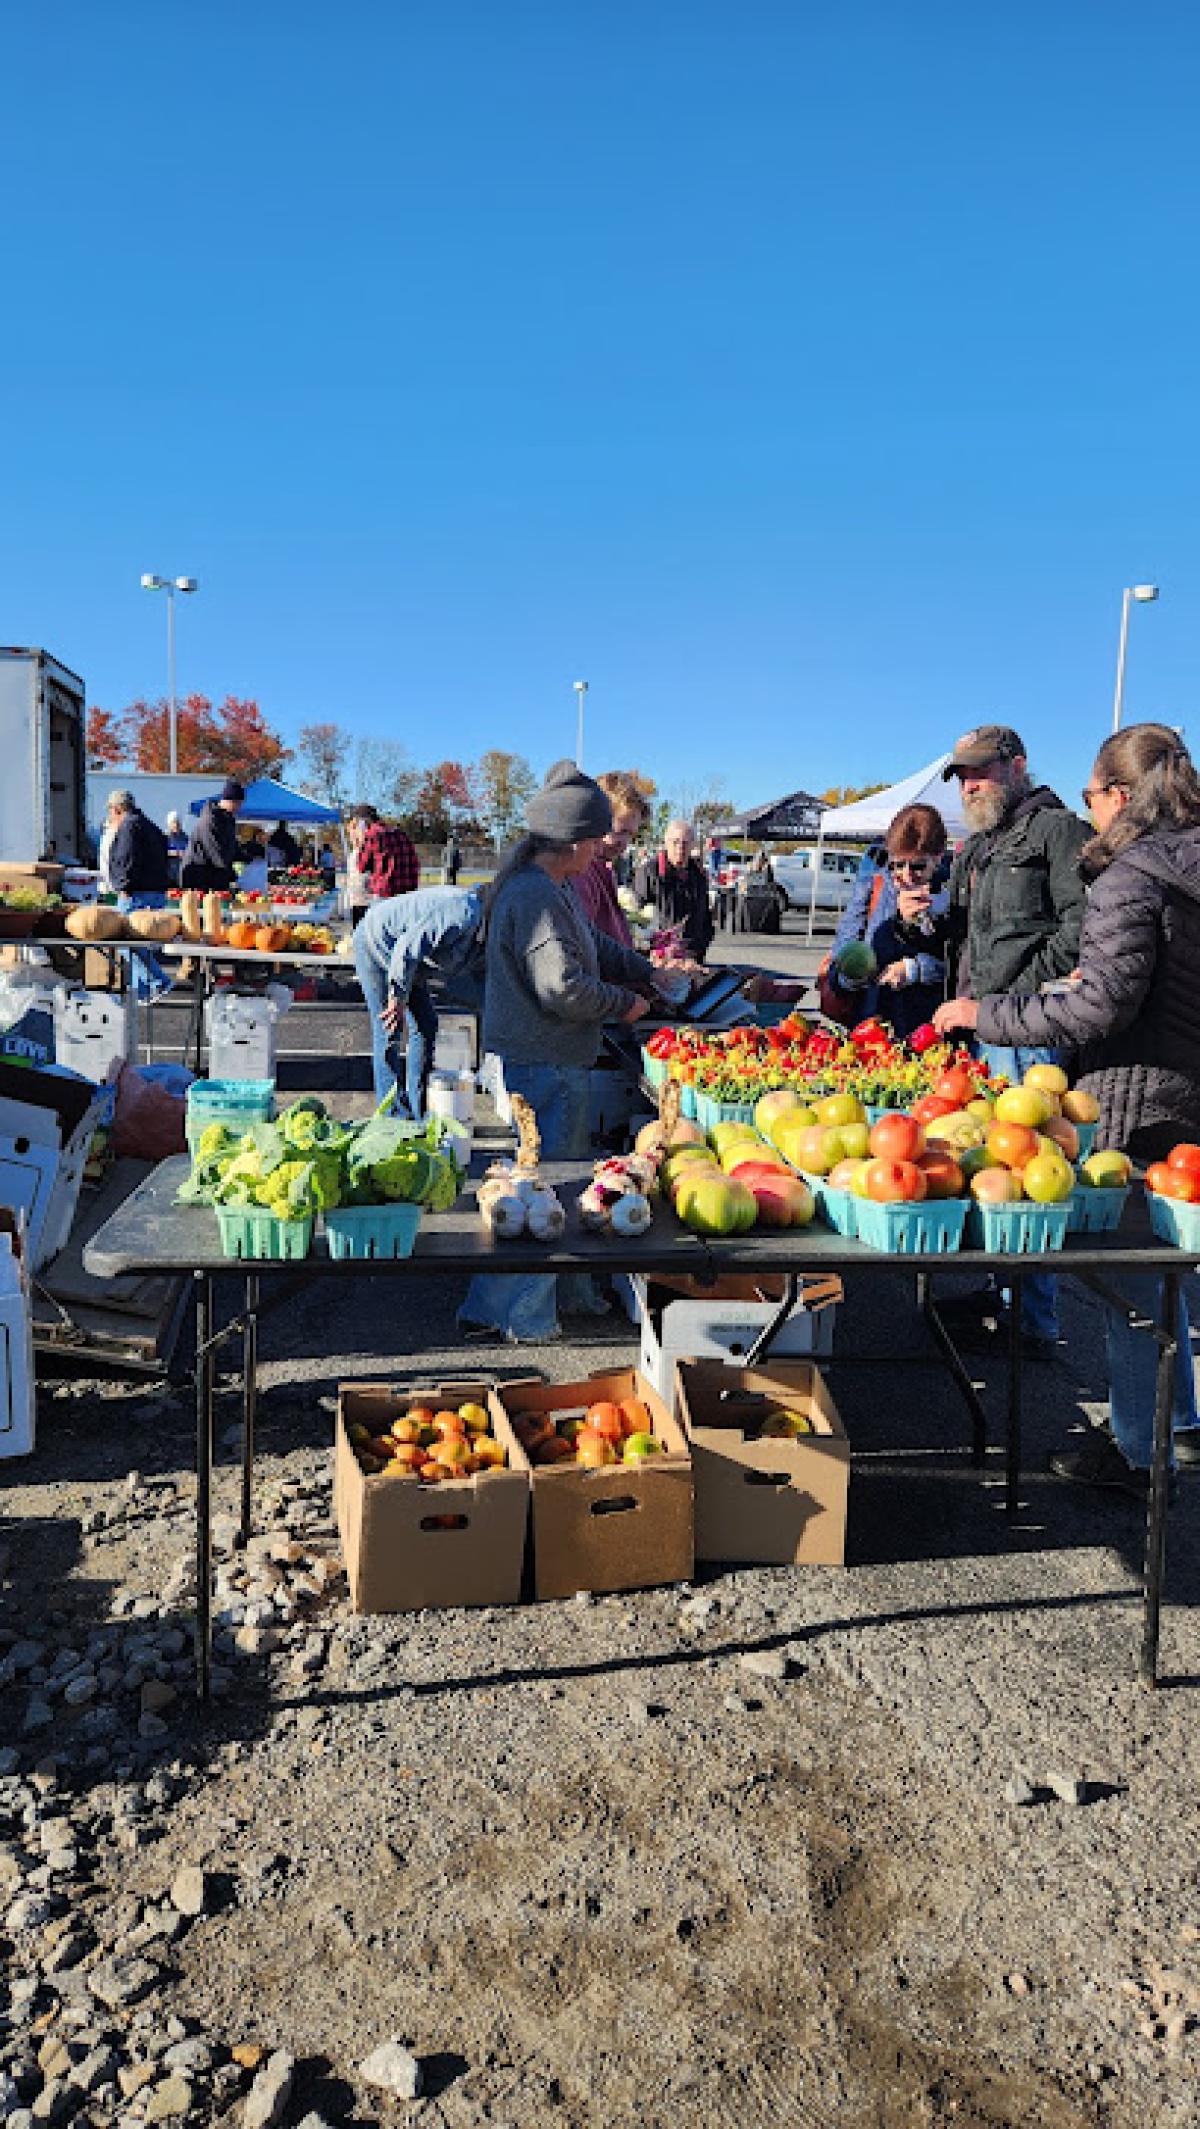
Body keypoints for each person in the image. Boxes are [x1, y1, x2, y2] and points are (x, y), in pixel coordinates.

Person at [935, 722, 1200, 1491]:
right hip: (1187, 1093)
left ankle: (1138, 1456)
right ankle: (1177, 1423)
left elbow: (1099, 1010)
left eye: (1094, 796)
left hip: (1138, 1095)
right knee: (1167, 1277)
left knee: (1133, 1290)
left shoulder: (1132, 873)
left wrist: (987, 1014)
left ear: (1120, 795)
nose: (1091, 811)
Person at [459, 761, 682, 1343]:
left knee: (536, 1183)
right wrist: (623, 1004)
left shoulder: (548, 886)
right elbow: (562, 986)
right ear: (577, 841)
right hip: (546, 1057)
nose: (604, 850)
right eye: (598, 839)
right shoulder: (536, 895)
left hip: (547, 1055)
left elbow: (596, 946)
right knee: (547, 1189)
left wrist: (644, 971)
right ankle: (525, 1318)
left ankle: (510, 1304)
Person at [938, 724, 1091, 1358]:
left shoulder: (1058, 831)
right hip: (982, 1028)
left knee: (1033, 1172)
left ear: (1017, 765)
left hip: (1023, 1029)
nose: (970, 784)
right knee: (994, 1167)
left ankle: (1035, 1321)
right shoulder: (983, 842)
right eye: (963, 776)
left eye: (981, 771)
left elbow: (1081, 926)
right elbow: (966, 927)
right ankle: (1004, 1293)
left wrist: (1010, 1000)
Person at [353, 885, 485, 1118]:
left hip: (408, 963)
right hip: (376, 943)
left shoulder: (486, 934)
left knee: (426, 1025)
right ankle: (392, 1116)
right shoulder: (463, 911)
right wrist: (397, 996)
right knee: (389, 1030)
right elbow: (408, 948)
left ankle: (419, 1105)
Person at [819, 804, 950, 1039]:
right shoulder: (873, 887)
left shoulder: (954, 894)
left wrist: (916, 969)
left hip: (929, 1033)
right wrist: (852, 975)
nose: (906, 875)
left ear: (938, 857)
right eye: (897, 865)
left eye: (918, 866)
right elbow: (841, 960)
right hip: (869, 1029)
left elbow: (966, 970)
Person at [572, 772, 650, 947]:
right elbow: (586, 944)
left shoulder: (606, 871)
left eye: (630, 834)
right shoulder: (580, 873)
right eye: (619, 831)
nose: (624, 843)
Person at [106, 790, 171, 999]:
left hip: (137, 893)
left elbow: (127, 858)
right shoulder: (150, 826)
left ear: (116, 809)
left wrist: (123, 886)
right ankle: (141, 993)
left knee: (127, 942)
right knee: (144, 945)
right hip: (156, 892)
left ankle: (158, 980)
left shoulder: (129, 827)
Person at [635, 818, 715, 963]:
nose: (680, 848)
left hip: (692, 956)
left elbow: (705, 917)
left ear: (693, 845)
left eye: (685, 843)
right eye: (675, 842)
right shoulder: (649, 871)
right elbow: (639, 919)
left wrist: (699, 948)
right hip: (659, 957)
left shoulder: (699, 875)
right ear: (666, 842)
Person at [181, 780, 246, 891]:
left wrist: (248, 857)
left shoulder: (229, 819)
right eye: (238, 803)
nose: (239, 807)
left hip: (215, 875)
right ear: (229, 800)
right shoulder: (210, 820)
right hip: (199, 875)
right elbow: (215, 851)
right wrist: (233, 876)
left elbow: (232, 847)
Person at [358, 810, 420, 903]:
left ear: (363, 822)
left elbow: (362, 866)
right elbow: (414, 861)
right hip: (408, 891)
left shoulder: (373, 834)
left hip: (385, 891)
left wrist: (361, 841)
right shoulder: (401, 834)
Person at [165, 810, 188, 886]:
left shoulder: (186, 839)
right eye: (173, 822)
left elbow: (191, 853)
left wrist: (185, 854)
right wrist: (175, 853)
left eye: (177, 822)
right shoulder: (165, 838)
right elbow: (160, 852)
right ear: (169, 824)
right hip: (169, 876)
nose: (175, 825)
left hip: (183, 875)